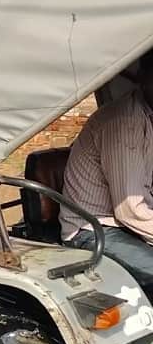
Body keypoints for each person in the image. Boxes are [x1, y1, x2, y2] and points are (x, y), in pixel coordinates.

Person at [60, 49, 153, 290]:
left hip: (128, 224)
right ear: (144, 78)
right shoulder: (125, 122)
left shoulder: (147, 118)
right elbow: (130, 211)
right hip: (93, 231)